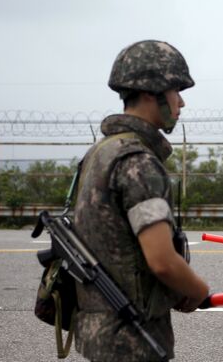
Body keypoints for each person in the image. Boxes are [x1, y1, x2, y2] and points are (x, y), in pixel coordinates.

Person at [72, 40, 210, 361]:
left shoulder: (99, 153)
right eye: (176, 91)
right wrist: (197, 290)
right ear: (151, 93)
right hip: (132, 338)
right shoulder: (139, 162)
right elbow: (161, 259)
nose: (182, 103)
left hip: (99, 331)